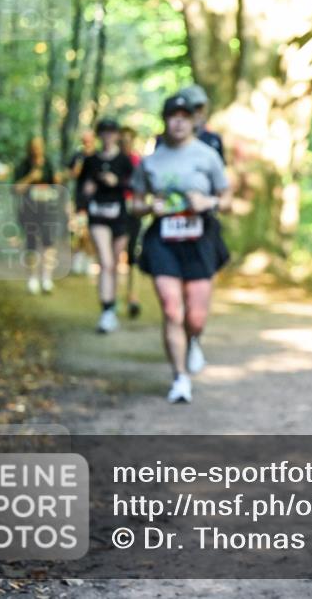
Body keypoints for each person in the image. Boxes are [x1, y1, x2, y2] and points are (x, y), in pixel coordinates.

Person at [131, 94, 231, 403]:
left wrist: (209, 202)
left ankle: (194, 341)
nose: (178, 121)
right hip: (163, 239)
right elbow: (134, 203)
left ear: (193, 121)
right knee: (172, 309)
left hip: (200, 239)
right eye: (172, 115)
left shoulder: (207, 155)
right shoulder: (151, 161)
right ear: (164, 120)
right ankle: (180, 378)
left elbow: (227, 200)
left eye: (184, 116)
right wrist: (149, 207)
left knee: (195, 317)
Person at [79, 118, 135, 333]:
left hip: (119, 216)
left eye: (112, 131)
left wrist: (117, 182)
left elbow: (134, 184)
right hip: (98, 216)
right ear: (99, 135)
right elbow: (81, 188)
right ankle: (106, 310)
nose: (108, 135)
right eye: (104, 131)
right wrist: (86, 193)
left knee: (113, 265)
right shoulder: (91, 160)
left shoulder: (124, 160)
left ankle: (112, 302)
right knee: (105, 261)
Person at [13, 136, 65, 294]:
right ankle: (32, 278)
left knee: (49, 243)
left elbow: (57, 185)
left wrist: (57, 181)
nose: (36, 149)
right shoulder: (23, 165)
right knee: (31, 243)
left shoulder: (49, 163)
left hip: (48, 210)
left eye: (39, 146)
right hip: (29, 211)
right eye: (33, 146)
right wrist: (31, 177)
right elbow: (15, 189)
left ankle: (46, 278)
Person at [155, 84, 226, 162]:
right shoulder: (163, 141)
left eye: (201, 108)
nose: (198, 113)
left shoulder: (213, 139)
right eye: (194, 108)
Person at [120, 125, 144, 319]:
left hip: (133, 212)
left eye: (129, 139)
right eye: (123, 139)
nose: (126, 142)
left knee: (132, 256)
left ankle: (132, 296)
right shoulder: (113, 160)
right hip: (114, 213)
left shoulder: (138, 161)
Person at [66, 130, 97, 275]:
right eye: (84, 140)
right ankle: (78, 258)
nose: (86, 142)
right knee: (80, 230)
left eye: (89, 139)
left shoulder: (99, 155)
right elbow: (70, 174)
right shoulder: (78, 156)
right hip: (81, 199)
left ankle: (88, 259)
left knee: (91, 231)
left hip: (97, 200)